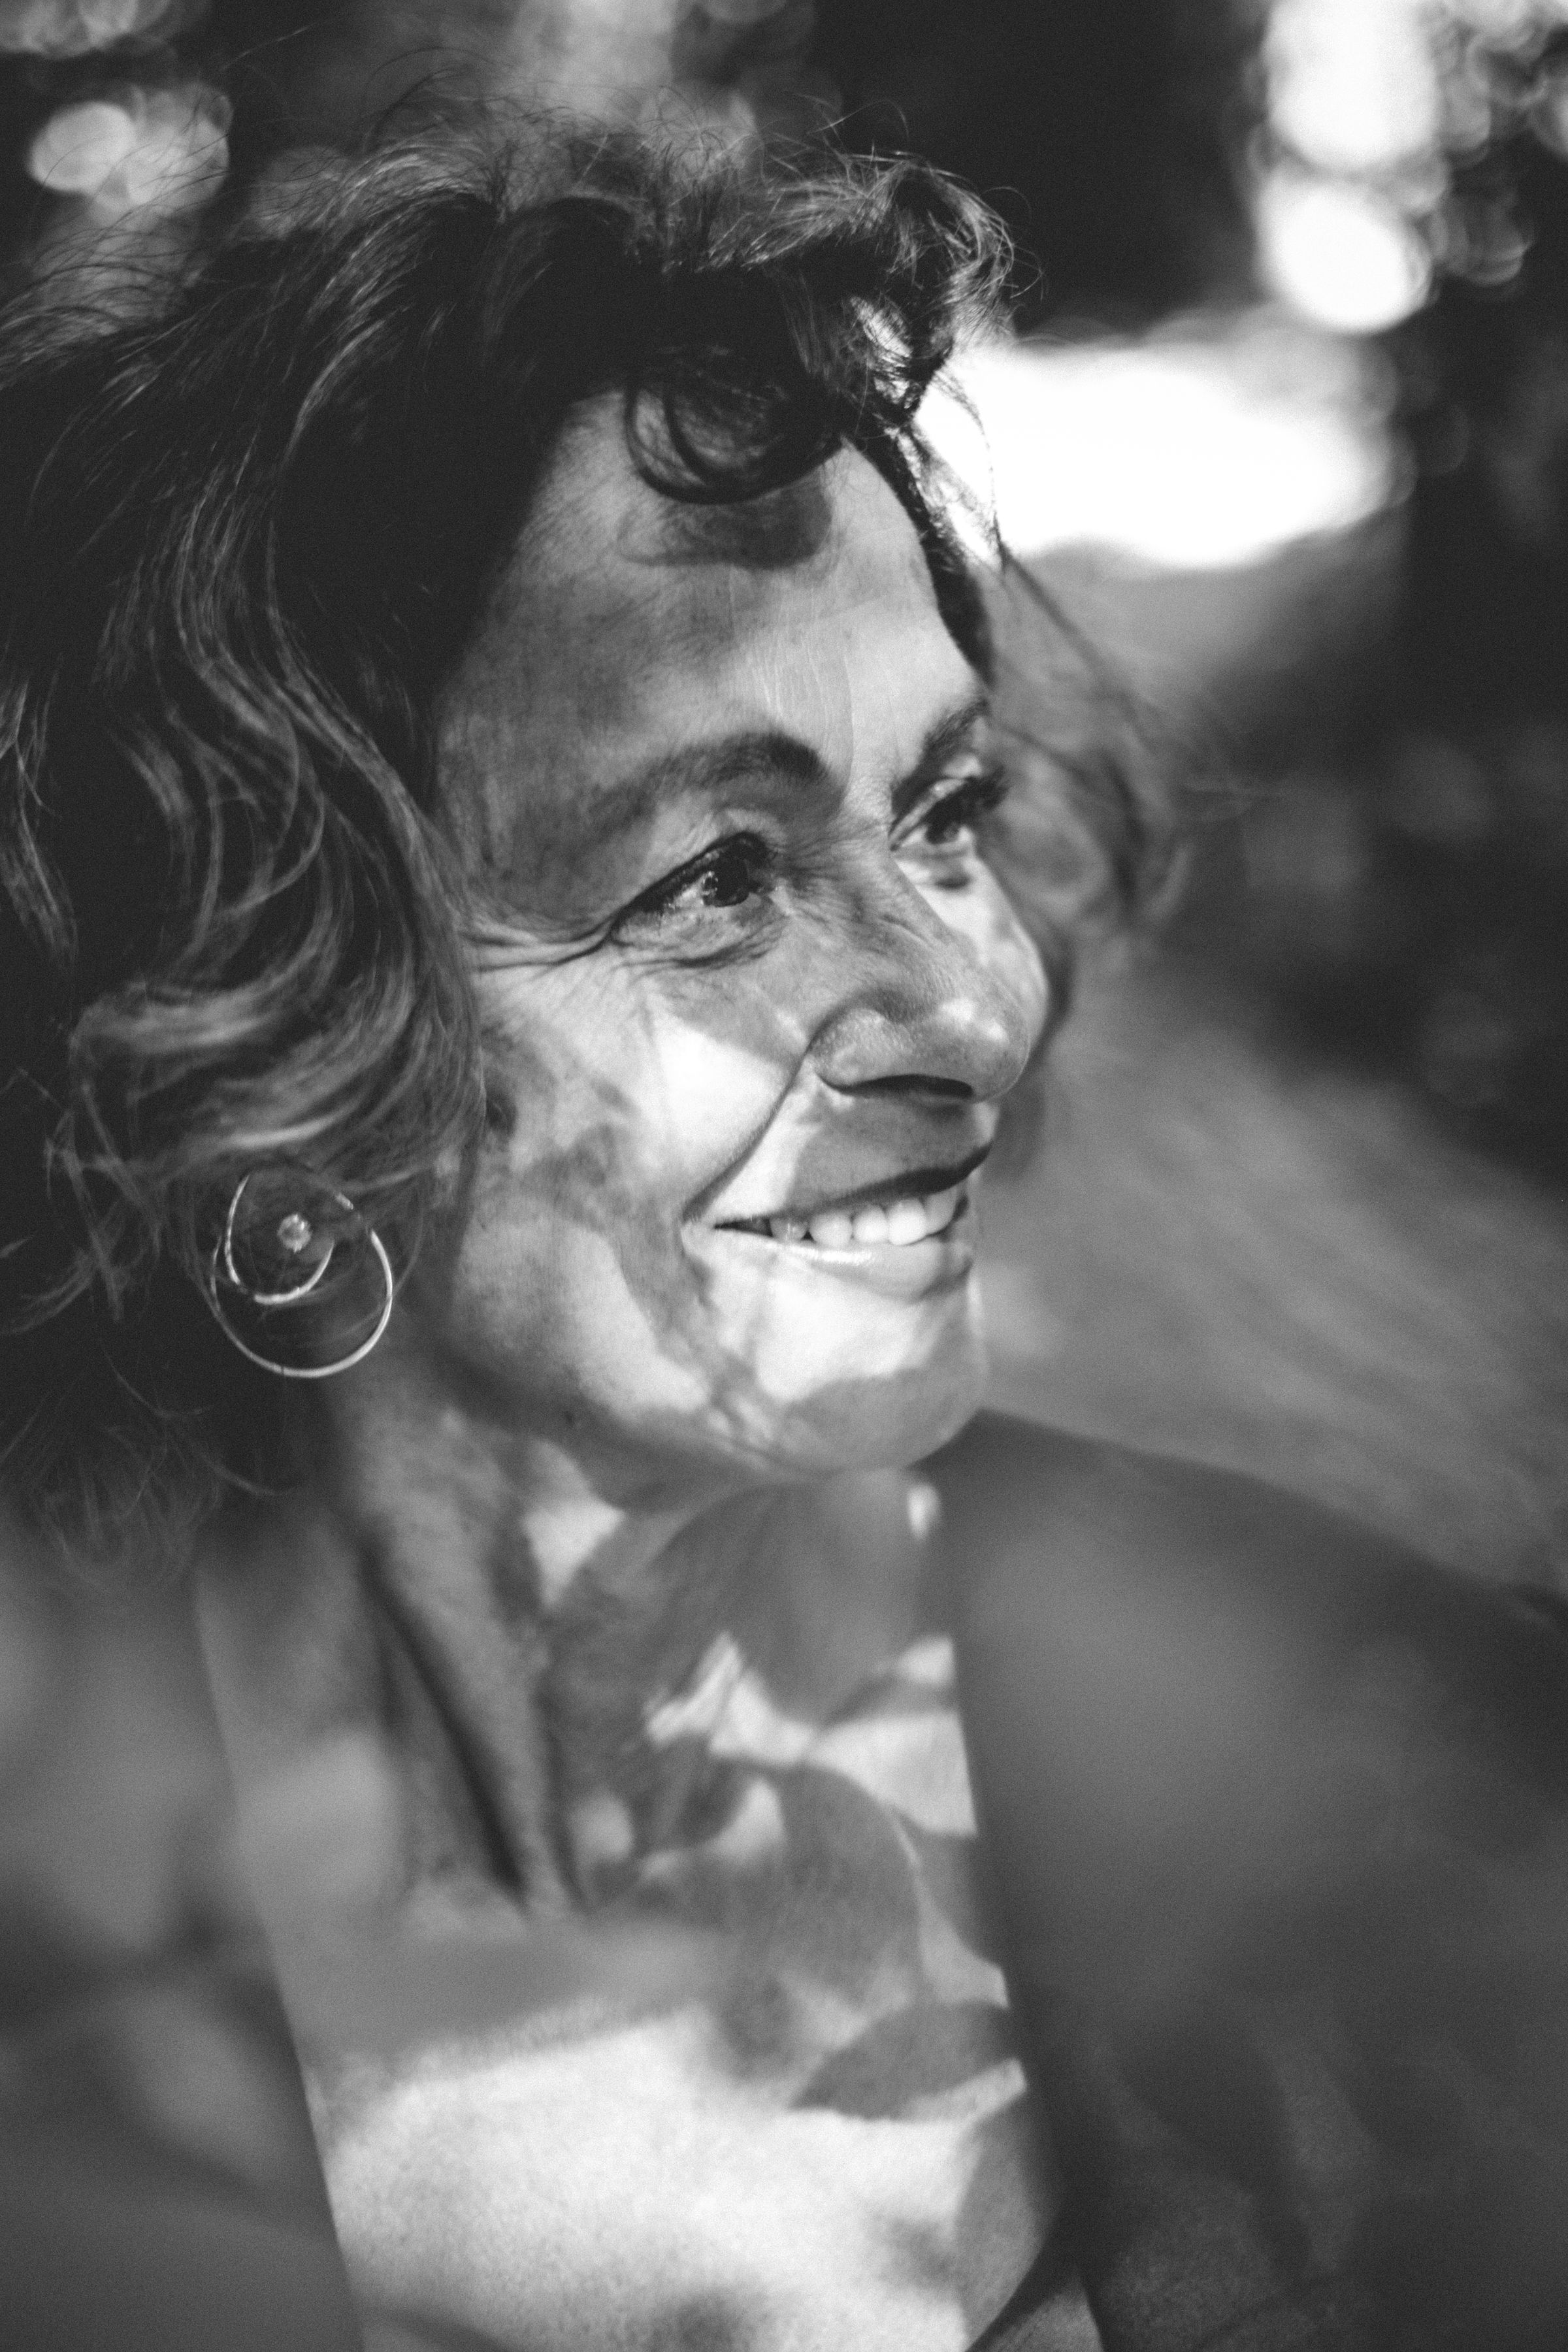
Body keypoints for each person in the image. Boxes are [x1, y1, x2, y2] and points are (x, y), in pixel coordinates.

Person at [2, 130, 1565, 2352]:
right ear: (260, 1034)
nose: (972, 1001)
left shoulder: (1430, 1793)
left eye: (941, 811)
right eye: (712, 879)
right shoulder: (54, 1897)